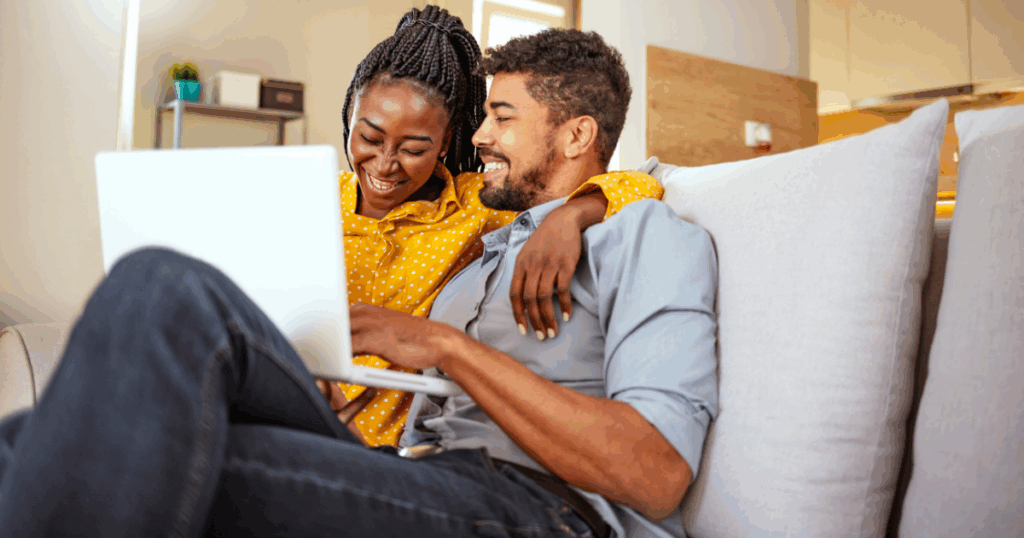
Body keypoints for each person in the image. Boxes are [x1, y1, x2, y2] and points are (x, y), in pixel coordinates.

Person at [0, 28, 717, 538]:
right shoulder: (490, 251)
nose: (477, 137)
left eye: (500, 116)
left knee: (149, 351)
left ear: (574, 136)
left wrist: (441, 342)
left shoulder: (647, 236)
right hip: (409, 465)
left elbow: (655, 476)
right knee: (38, 425)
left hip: (546, 509)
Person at [327, 5, 663, 446]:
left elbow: (644, 182)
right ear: (350, 113)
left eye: (413, 148)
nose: (385, 165)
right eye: (369, 138)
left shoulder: (477, 204)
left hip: (375, 445)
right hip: (285, 401)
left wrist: (573, 214)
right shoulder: (309, 198)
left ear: (446, 141)